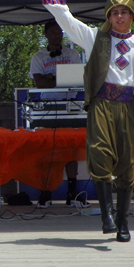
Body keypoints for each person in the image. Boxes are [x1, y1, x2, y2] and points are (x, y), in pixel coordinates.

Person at [24, 0, 134, 242]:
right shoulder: (96, 38)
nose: (119, 16)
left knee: (128, 164)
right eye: (114, 12)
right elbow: (69, 23)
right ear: (109, 16)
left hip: (129, 106)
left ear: (132, 16)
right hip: (102, 104)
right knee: (99, 155)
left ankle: (122, 220)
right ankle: (106, 215)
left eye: (124, 12)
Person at [29, 19, 89, 209]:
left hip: (70, 105)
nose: (57, 35)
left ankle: (73, 192)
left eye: (60, 32)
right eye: (53, 32)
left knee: (71, 148)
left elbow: (77, 79)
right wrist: (58, 79)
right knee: (49, 149)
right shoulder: (38, 57)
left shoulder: (72, 53)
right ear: (46, 35)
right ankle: (46, 192)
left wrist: (52, 78)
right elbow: (39, 84)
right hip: (47, 107)